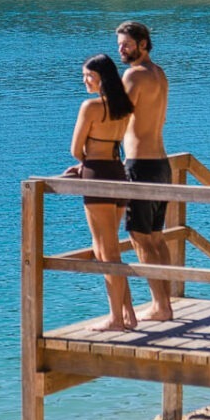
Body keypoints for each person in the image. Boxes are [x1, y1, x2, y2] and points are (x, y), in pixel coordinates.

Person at [71, 53, 137, 330]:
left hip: (96, 174)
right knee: (109, 249)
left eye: (90, 76)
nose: (85, 80)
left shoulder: (91, 107)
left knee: (105, 251)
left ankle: (116, 319)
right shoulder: (124, 107)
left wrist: (82, 164)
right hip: (117, 173)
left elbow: (76, 150)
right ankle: (128, 314)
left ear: (101, 79)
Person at [117, 21, 175, 322]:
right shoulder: (159, 74)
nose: (121, 50)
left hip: (139, 164)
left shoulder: (134, 76)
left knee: (140, 237)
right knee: (156, 237)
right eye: (119, 45)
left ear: (142, 44)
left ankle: (160, 305)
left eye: (126, 44)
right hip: (162, 165)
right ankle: (165, 302)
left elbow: (118, 119)